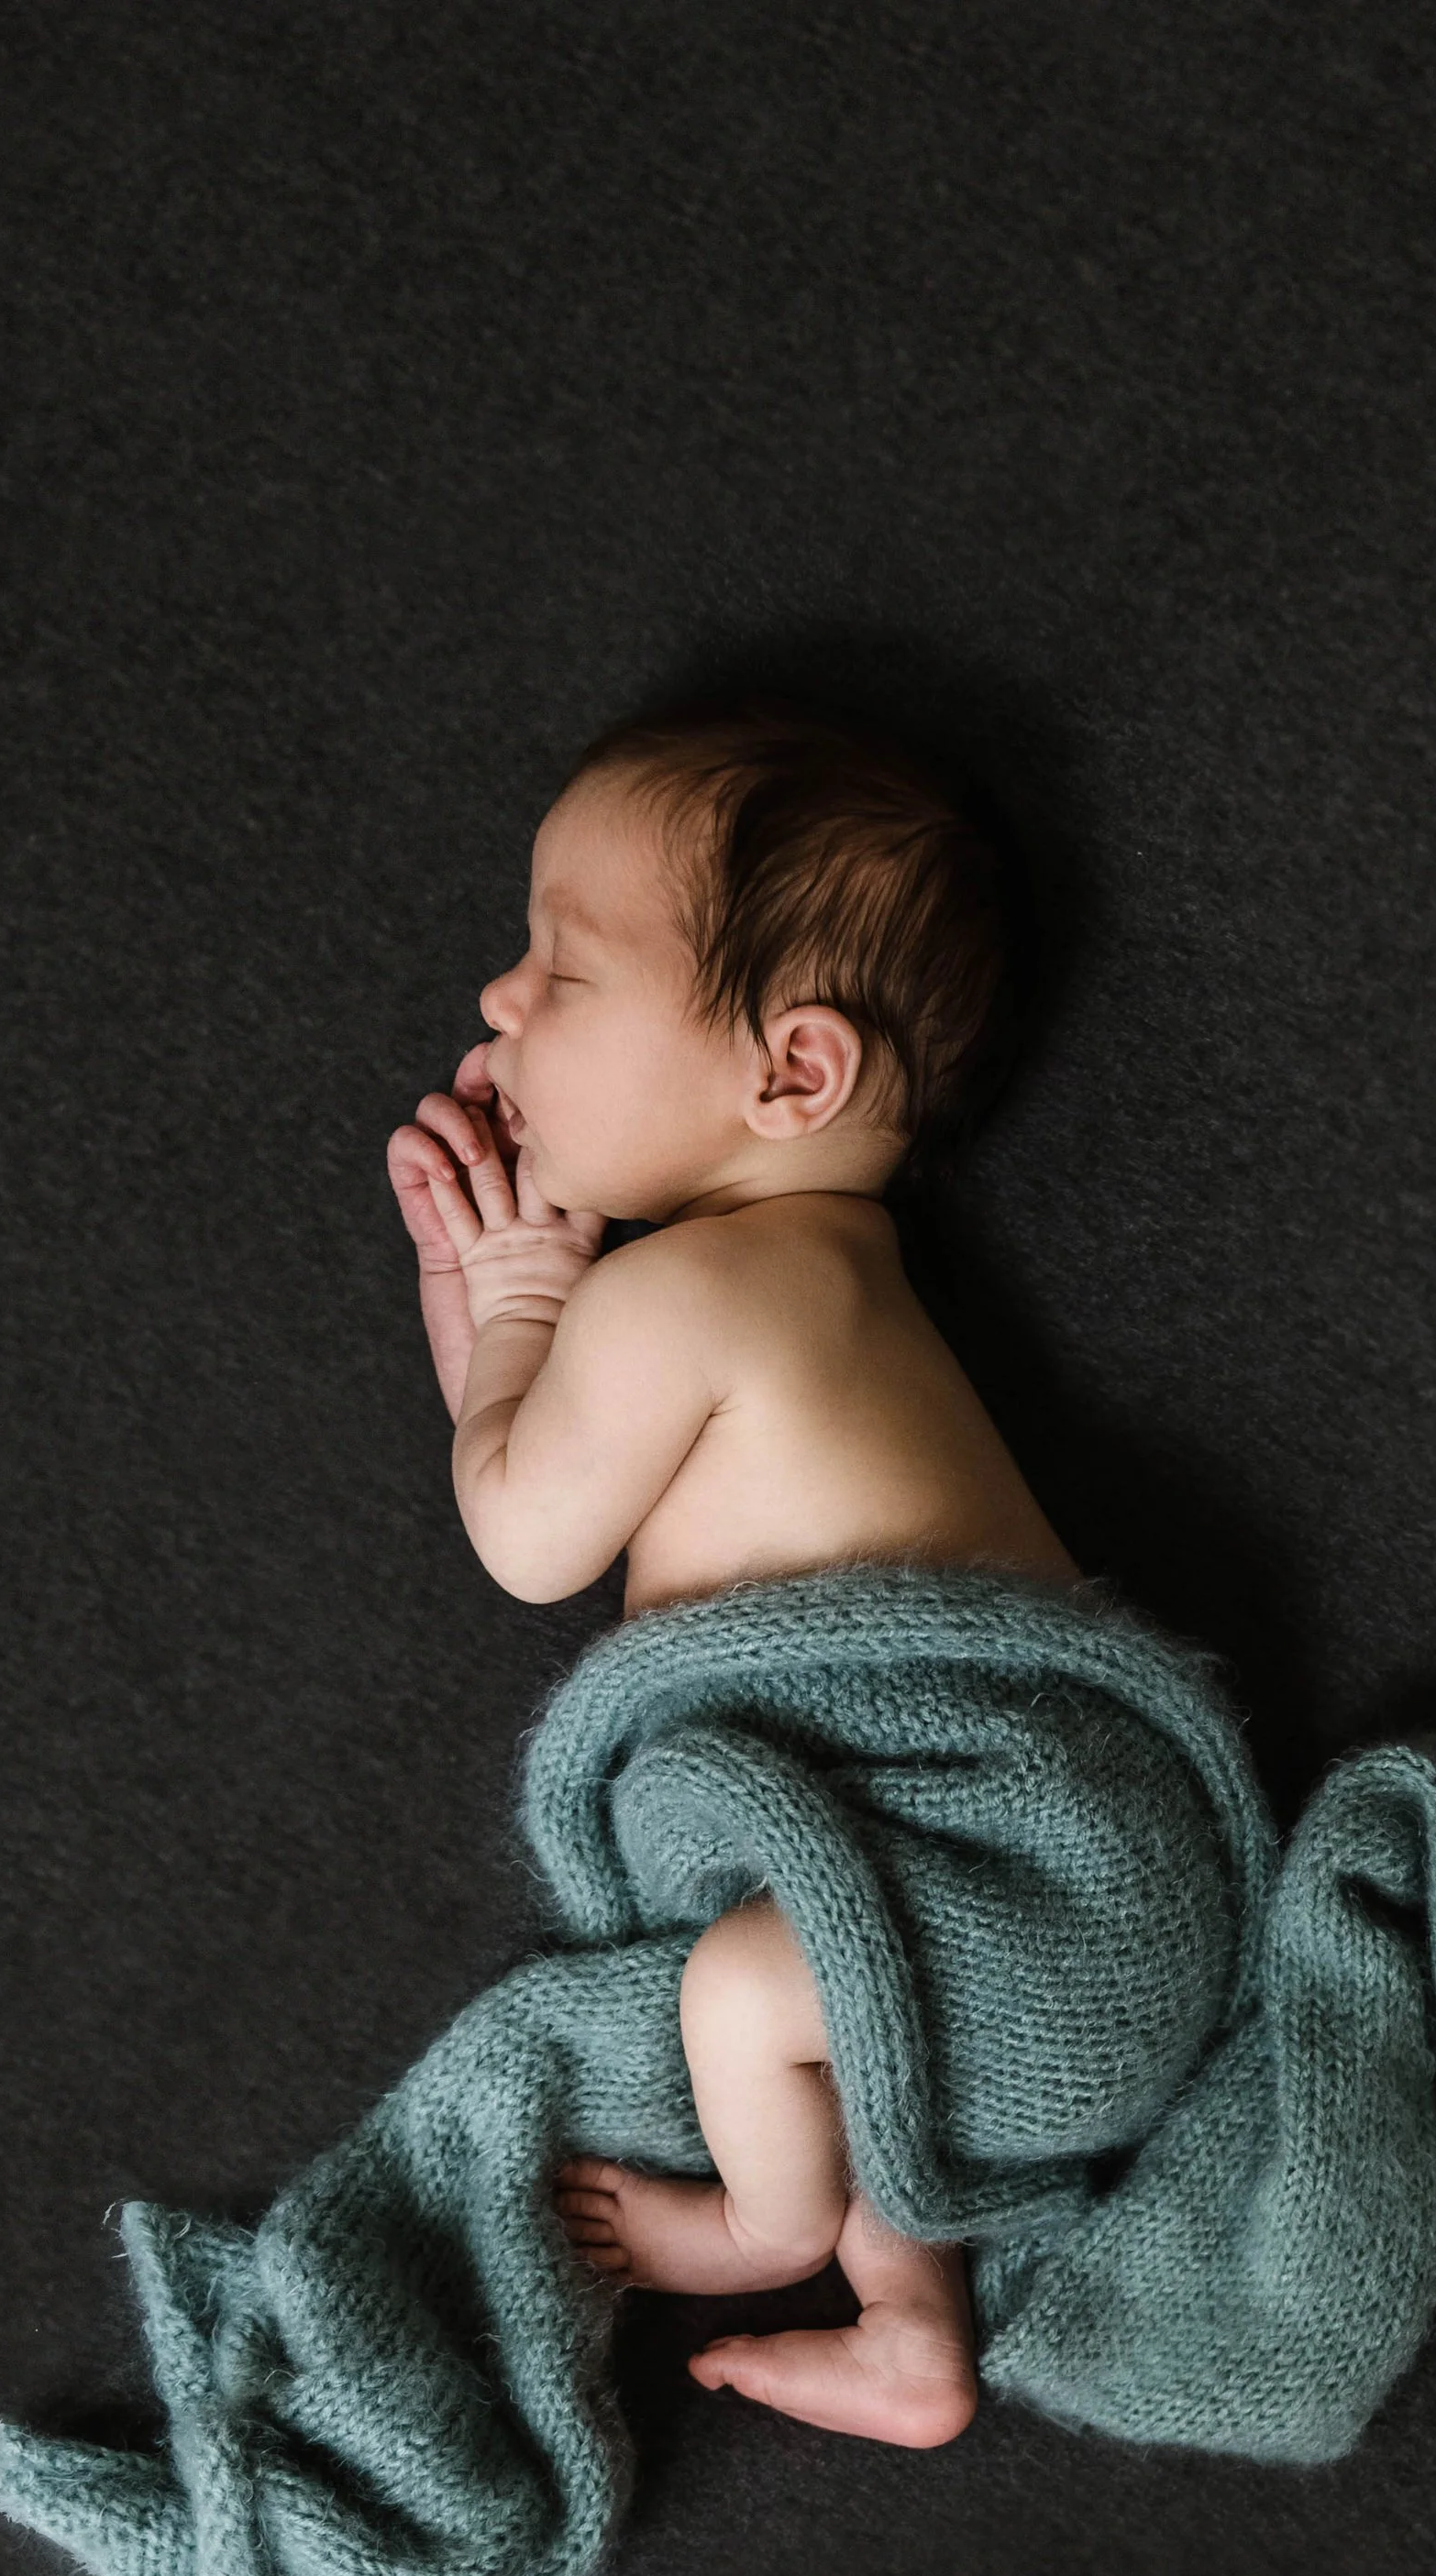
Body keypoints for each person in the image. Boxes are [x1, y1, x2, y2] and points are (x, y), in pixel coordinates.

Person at [386, 699, 1077, 2449]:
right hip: (1007, 1907)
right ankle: (913, 2320)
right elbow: (567, 1485)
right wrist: (524, 1325)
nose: (500, 999)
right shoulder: (832, 1284)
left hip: (1047, 1884)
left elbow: (529, 1536)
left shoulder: (682, 1297)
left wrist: (514, 1314)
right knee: (840, 1974)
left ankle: (771, 2230)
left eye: (565, 969)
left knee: (752, 1987)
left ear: (793, 1073)